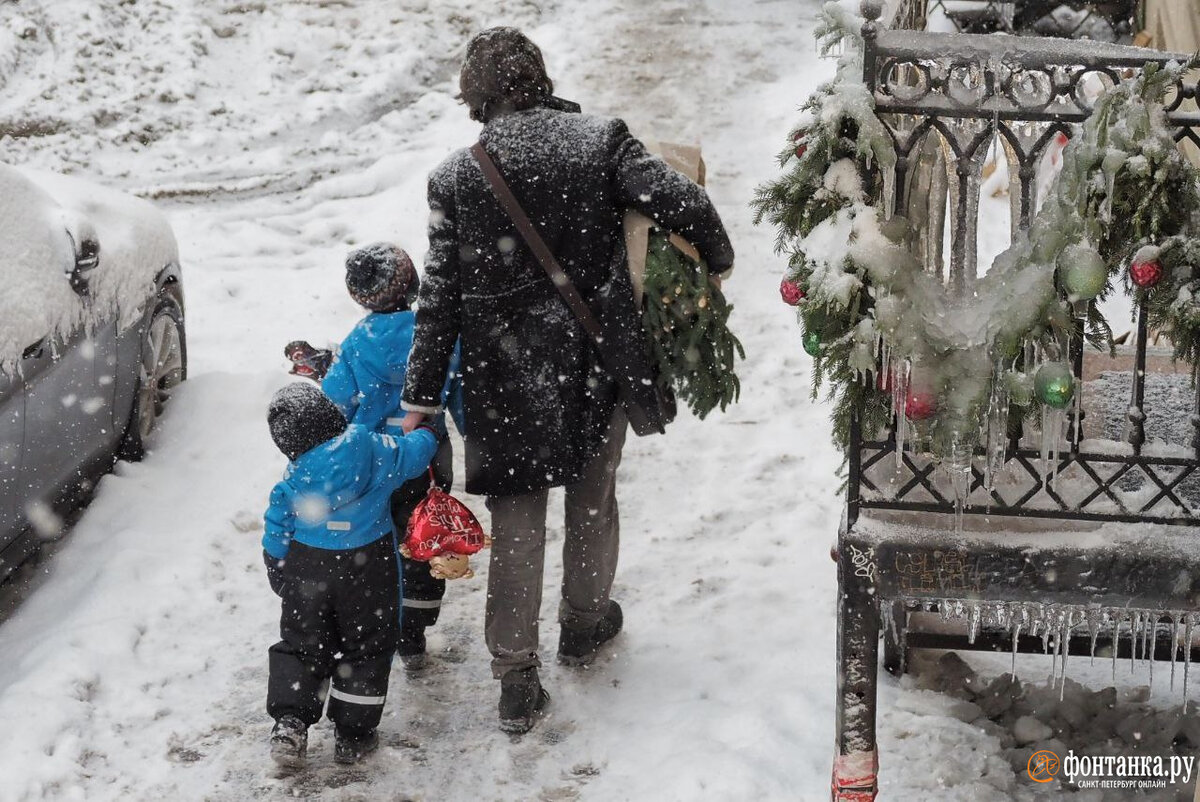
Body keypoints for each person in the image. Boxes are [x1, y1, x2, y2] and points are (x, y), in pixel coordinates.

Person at [399, 27, 734, 734]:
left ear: (477, 94)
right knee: (592, 497)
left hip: (502, 378)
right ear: (540, 77)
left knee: (518, 518)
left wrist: (421, 398)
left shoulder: (458, 177)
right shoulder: (600, 140)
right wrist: (717, 262)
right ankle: (584, 623)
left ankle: (515, 674)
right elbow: (687, 206)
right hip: (591, 364)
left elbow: (440, 297)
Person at [261, 382, 442, 766]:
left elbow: (277, 528)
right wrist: (428, 432)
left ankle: (292, 721)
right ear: (331, 416)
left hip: (308, 567)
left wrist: (277, 566)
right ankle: (353, 733)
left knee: (301, 643)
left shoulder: (295, 478)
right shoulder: (372, 450)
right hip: (368, 565)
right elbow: (411, 456)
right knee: (368, 647)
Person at [321, 243, 464, 671]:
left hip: (373, 461)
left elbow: (336, 403)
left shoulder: (356, 342)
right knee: (423, 536)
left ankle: (383, 619)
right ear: (412, 285)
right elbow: (458, 392)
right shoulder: (434, 334)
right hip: (426, 457)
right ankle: (414, 628)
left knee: (381, 541)